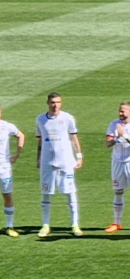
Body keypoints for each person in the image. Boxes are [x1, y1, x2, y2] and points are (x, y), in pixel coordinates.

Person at [35, 93, 83, 238]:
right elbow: (40, 140)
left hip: (65, 161)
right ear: (47, 103)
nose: (55, 105)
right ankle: (45, 225)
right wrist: (38, 158)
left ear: (61, 103)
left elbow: (74, 137)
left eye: (58, 102)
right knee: (46, 192)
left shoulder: (67, 118)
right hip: (47, 161)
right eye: (52, 102)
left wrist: (79, 156)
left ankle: (75, 225)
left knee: (70, 192)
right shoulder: (40, 119)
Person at [104, 101, 130, 235]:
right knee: (118, 191)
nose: (120, 113)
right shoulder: (113, 124)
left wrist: (125, 135)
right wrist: (116, 138)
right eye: (120, 111)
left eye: (123, 111)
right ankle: (117, 222)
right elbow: (107, 144)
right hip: (117, 161)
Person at [0, 107, 25, 237]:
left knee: (7, 195)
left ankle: (9, 226)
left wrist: (17, 154)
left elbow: (21, 135)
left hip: (4, 168)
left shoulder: (7, 126)